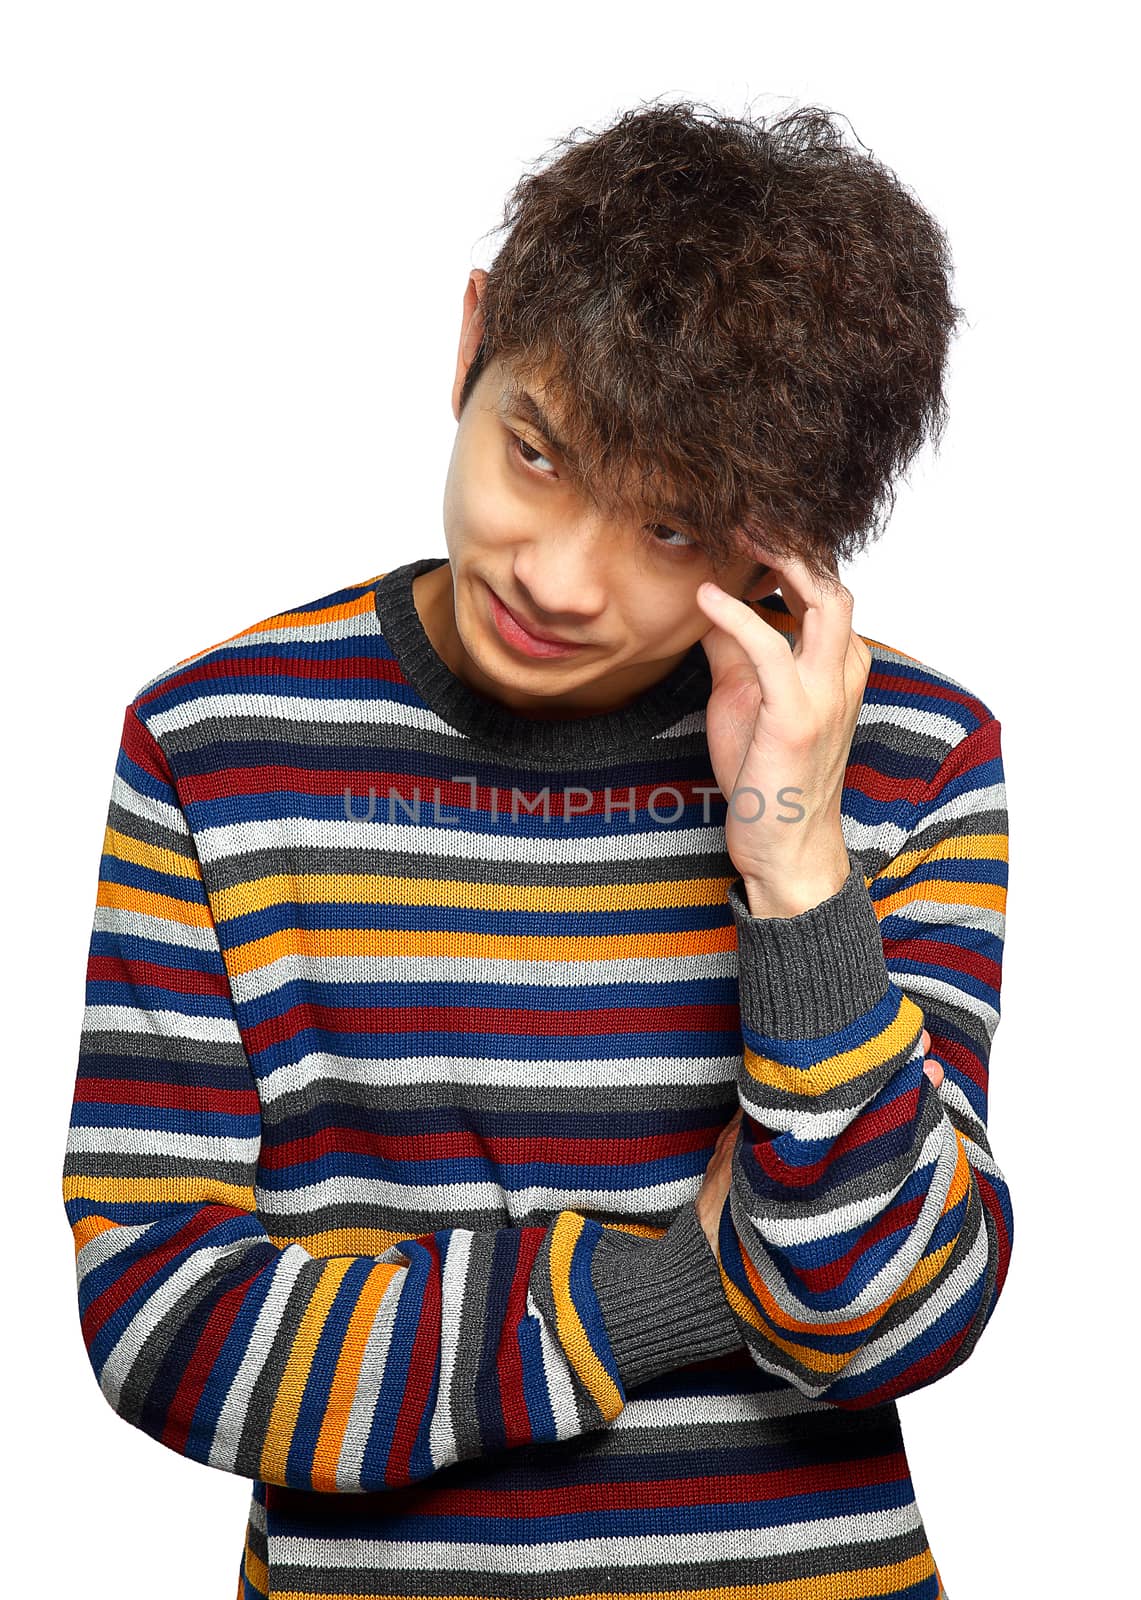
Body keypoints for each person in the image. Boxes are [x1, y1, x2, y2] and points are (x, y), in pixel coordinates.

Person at [60, 99, 1012, 1600]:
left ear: (787, 538)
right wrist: (671, 1287)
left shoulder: (898, 757)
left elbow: (889, 1320)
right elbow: (161, 1324)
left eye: (676, 530)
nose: (561, 577)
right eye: (538, 452)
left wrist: (792, 861)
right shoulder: (214, 747)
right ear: (471, 341)